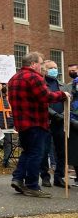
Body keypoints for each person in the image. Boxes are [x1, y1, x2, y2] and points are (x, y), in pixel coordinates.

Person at [8, 52, 70, 198]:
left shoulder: (13, 78)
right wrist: (62, 95)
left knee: (27, 151)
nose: (42, 67)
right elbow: (45, 96)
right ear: (33, 63)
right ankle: (32, 185)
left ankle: (18, 178)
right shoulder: (34, 77)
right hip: (35, 121)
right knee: (36, 153)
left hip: (22, 123)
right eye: (41, 63)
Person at [41, 60, 68, 188]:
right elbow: (42, 103)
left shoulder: (62, 85)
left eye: (56, 68)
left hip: (61, 123)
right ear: (45, 70)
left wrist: (64, 115)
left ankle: (59, 176)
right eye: (51, 68)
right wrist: (54, 114)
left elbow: (67, 102)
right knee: (44, 150)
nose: (54, 70)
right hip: (46, 121)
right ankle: (45, 177)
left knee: (61, 151)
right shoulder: (41, 85)